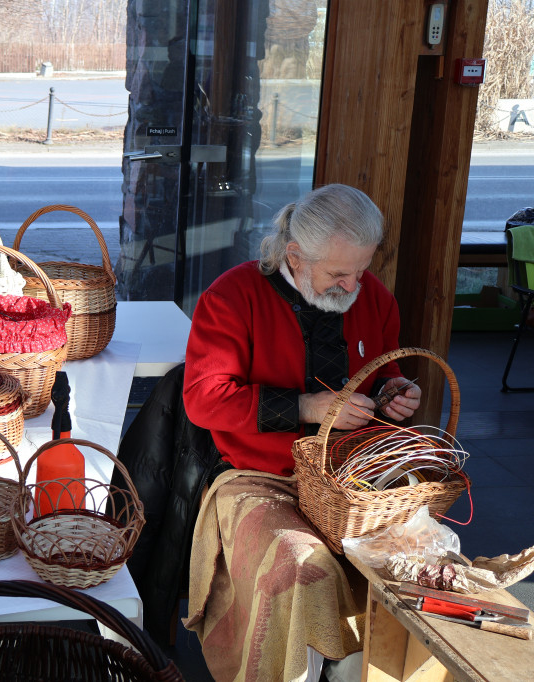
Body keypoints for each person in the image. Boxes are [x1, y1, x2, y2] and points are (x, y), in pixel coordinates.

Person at [181, 183, 422, 682]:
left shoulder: (371, 296)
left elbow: (382, 371)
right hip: (259, 474)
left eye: (361, 270)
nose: (353, 284)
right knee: (298, 567)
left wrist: (394, 394)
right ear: (294, 254)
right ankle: (308, 670)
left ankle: (373, 665)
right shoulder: (233, 295)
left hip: (354, 476)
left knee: (419, 554)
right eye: (338, 273)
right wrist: (303, 406)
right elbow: (203, 397)